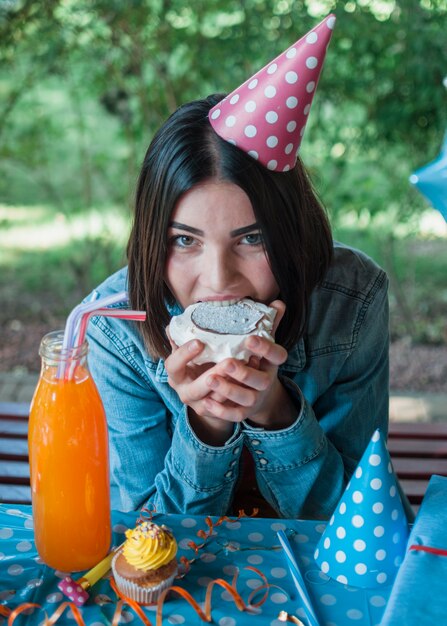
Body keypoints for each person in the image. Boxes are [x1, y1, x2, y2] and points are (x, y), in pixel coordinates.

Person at [86, 15, 389, 519]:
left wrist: (274, 410)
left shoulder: (351, 301)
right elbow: (149, 538)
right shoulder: (116, 333)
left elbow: (358, 524)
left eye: (253, 238)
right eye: (184, 240)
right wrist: (206, 426)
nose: (219, 281)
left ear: (290, 233)